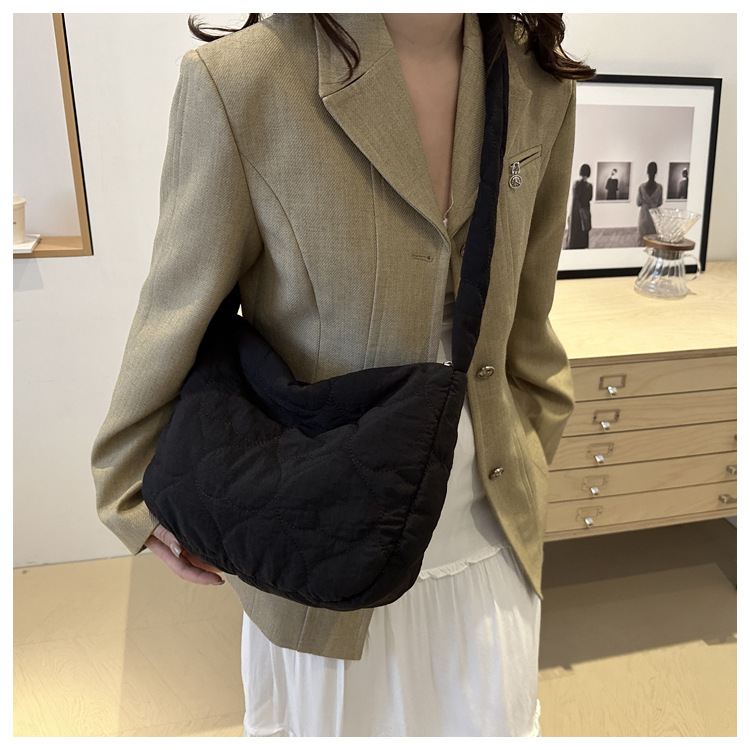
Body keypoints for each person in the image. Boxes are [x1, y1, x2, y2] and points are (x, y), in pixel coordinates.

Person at [91, 13, 595, 737]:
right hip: (319, 526)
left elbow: (530, 311)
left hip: (489, 529)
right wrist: (131, 487)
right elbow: (178, 305)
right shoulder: (244, 80)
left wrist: (534, 441)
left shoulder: (540, 82)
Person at [636, 161, 664, 245]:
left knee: (642, 236)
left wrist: (646, 203)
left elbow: (638, 202)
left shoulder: (641, 187)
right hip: (655, 213)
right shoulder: (659, 187)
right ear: (656, 172)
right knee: (654, 237)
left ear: (647, 172)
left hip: (644, 214)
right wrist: (653, 203)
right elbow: (660, 202)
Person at [566, 163, 593, 248]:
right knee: (583, 231)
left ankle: (572, 246)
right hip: (584, 211)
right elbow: (590, 198)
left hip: (575, 211)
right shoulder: (589, 186)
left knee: (574, 230)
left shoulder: (576, 184)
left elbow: (576, 197)